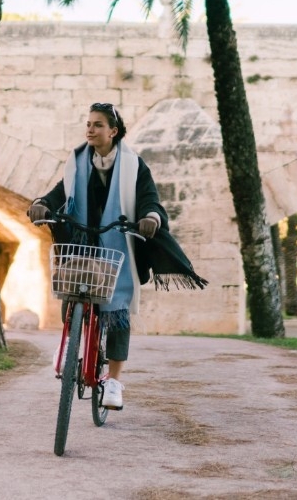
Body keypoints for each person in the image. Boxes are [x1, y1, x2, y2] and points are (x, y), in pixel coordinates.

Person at [28, 101, 206, 410]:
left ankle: (113, 381)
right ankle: (72, 349)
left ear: (113, 131)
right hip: (84, 238)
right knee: (71, 286)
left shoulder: (134, 165)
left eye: (98, 125)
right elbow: (62, 192)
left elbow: (149, 197)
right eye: (88, 123)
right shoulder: (78, 161)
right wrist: (42, 202)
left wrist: (150, 217)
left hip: (117, 243)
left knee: (118, 308)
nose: (90, 129)